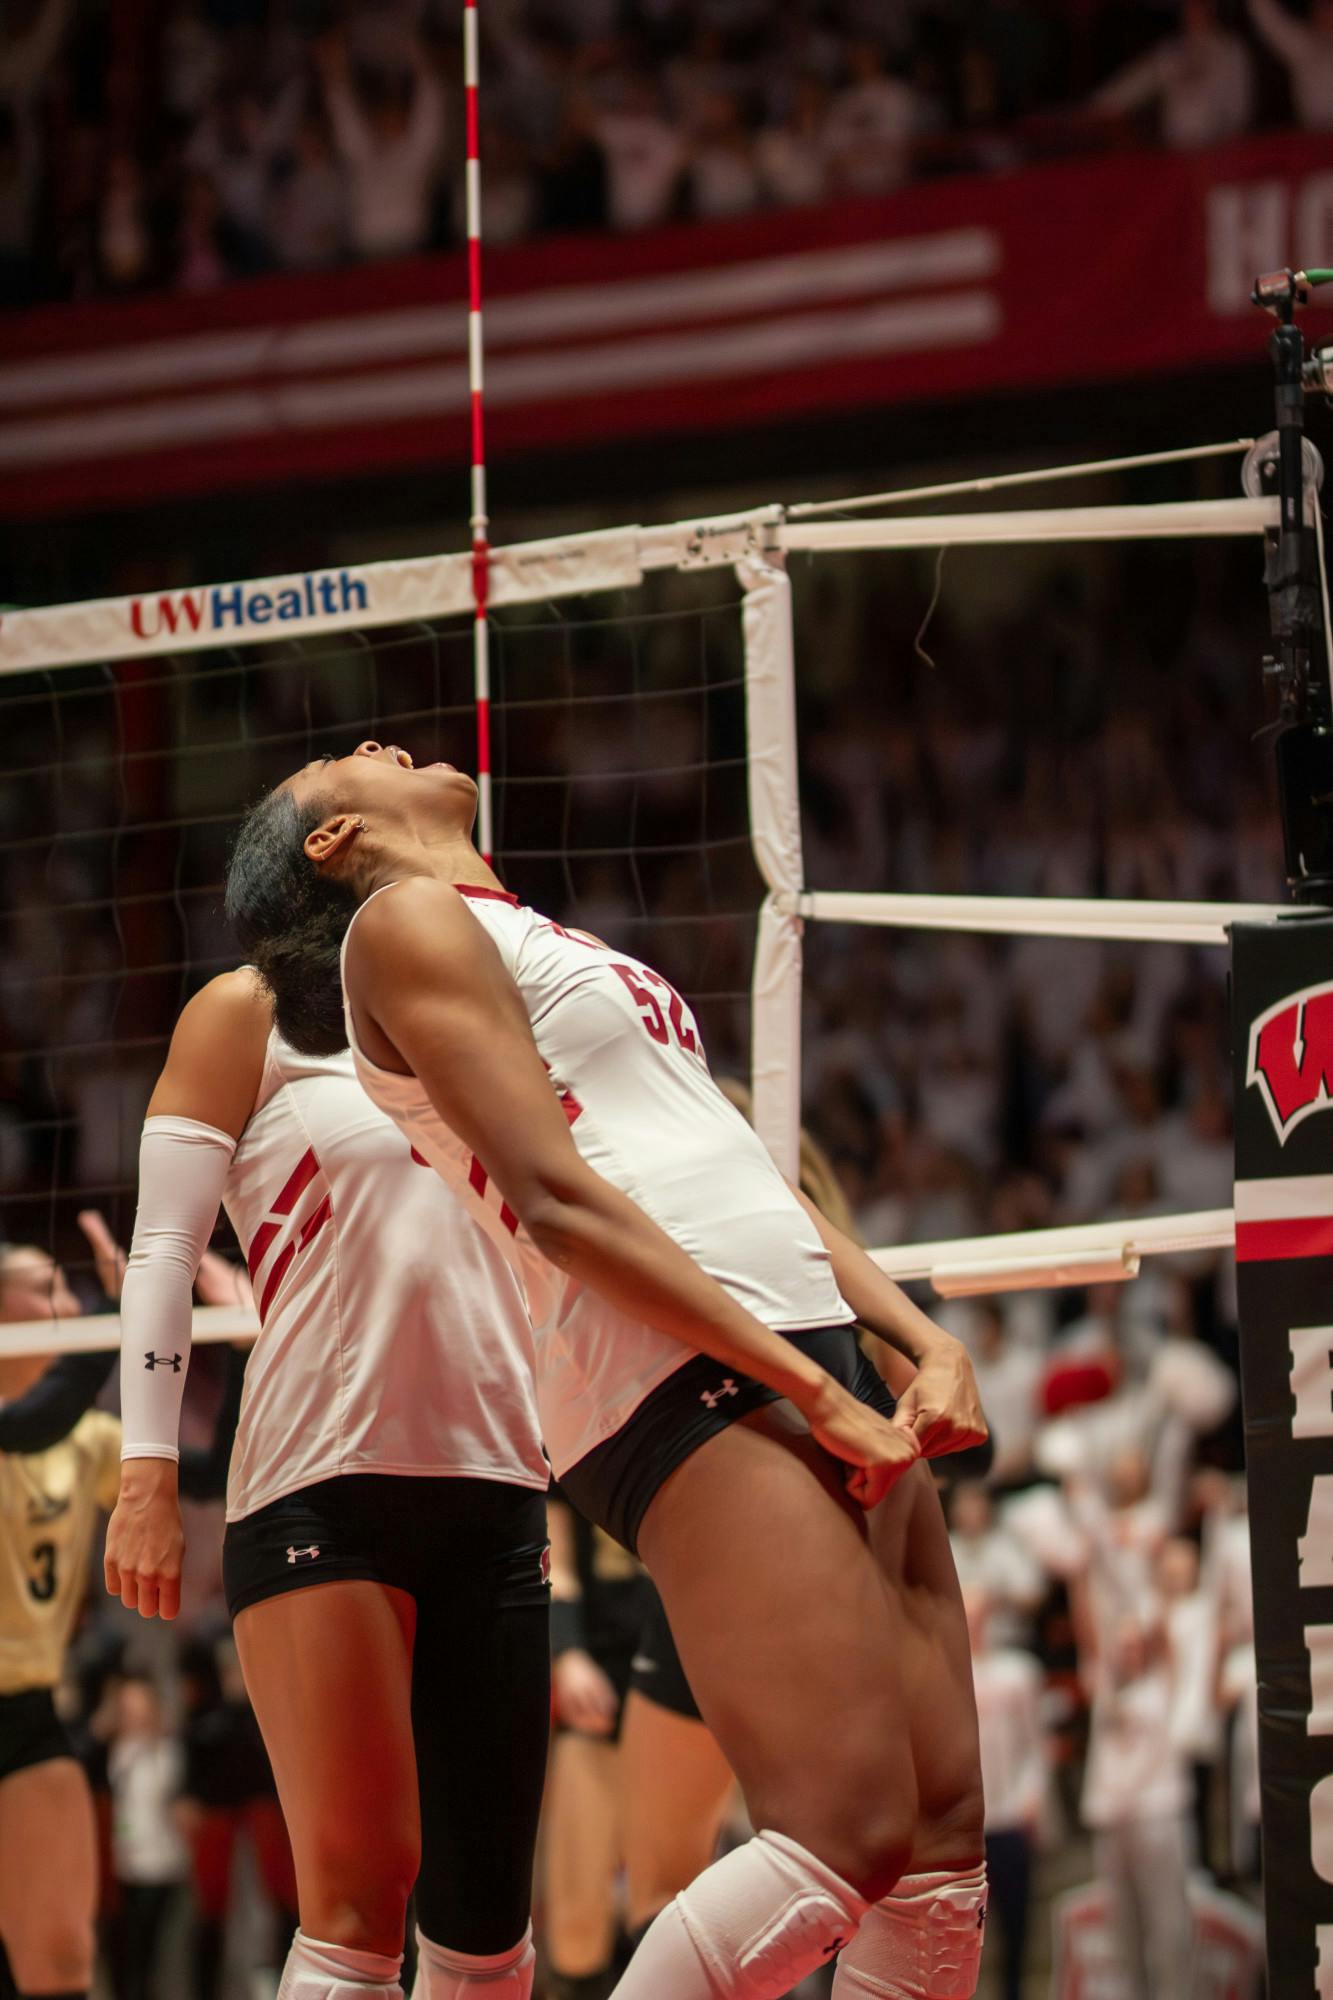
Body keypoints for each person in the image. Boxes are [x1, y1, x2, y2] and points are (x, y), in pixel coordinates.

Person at [225, 738, 990, 2000]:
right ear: (332, 840)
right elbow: (555, 1202)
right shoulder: (398, 927)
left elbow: (741, 1165)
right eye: (341, 757)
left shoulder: (535, 935)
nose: (377, 741)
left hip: (796, 1324)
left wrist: (920, 1334)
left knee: (939, 1852)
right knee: (839, 1831)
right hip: (674, 1359)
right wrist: (816, 1393)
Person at [103, 970, 551, 2000]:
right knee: (355, 1916)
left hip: (495, 1481)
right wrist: (147, 1475)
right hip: (320, 1479)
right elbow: (163, 1247)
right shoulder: (254, 1007)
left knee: (489, 1938)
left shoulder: (489, 996)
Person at [0, 1220, 236, 2000]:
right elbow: (36, 1419)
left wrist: (242, 1347)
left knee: (64, 1957)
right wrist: (121, 1304)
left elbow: (211, 1479)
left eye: (72, 1286)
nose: (68, 1300)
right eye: (49, 1286)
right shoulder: (35, 1422)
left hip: (27, 1711)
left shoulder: (89, 1439)